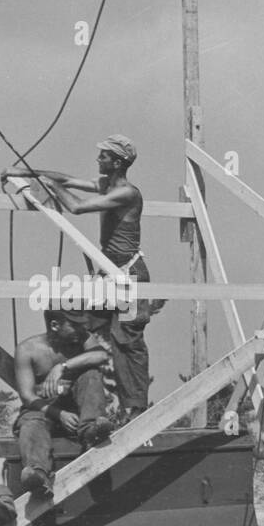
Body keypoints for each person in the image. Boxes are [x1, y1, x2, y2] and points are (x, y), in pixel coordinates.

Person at [16, 134, 158, 417]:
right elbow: (67, 181)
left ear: (117, 162)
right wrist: (26, 173)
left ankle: (135, 410)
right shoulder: (107, 185)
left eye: (103, 156)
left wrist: (49, 186)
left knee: (127, 340)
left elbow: (77, 206)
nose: (98, 160)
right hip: (110, 276)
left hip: (130, 277)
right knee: (71, 316)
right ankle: (64, 373)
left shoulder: (127, 193)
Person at [13, 309, 114, 498]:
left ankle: (91, 428)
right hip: (42, 410)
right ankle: (38, 475)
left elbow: (101, 355)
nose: (81, 328)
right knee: (31, 425)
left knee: (91, 374)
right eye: (74, 325)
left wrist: (63, 366)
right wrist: (58, 413)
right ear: (54, 325)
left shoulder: (82, 337)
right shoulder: (28, 349)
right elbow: (27, 396)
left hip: (76, 410)